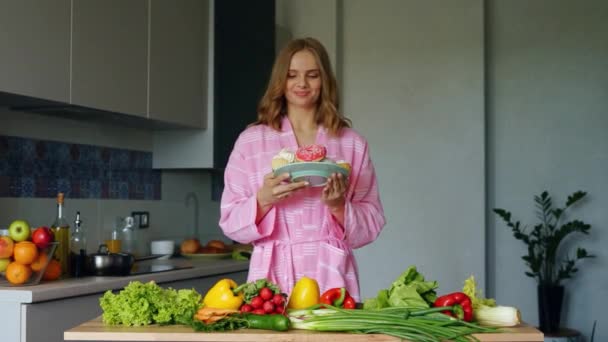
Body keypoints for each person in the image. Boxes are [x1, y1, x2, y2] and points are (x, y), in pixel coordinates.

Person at [219, 37, 385, 301]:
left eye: (312, 75)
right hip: (270, 276)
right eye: (292, 75)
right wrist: (263, 200)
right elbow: (229, 221)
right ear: (280, 81)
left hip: (330, 272)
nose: (302, 84)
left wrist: (339, 206)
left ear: (325, 81)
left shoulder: (351, 144)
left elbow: (373, 221)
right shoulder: (251, 141)